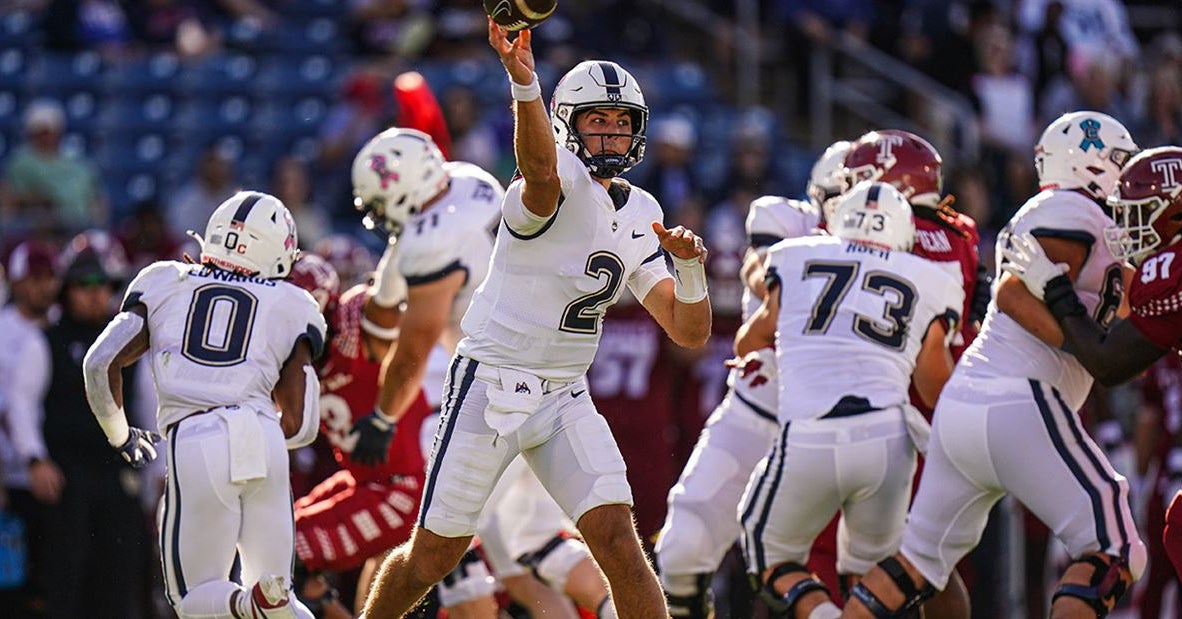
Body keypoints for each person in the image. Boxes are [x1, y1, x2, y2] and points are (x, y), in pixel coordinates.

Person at [361, 21, 712, 619]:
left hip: (563, 395)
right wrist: (523, 82)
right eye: (597, 120)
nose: (612, 133)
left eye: (622, 121)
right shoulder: (548, 184)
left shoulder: (641, 210)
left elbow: (688, 330)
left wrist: (690, 272)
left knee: (618, 542)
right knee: (432, 557)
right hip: (491, 383)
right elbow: (544, 175)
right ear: (565, 124)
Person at [843, 111, 1144, 618]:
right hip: (1019, 397)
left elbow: (1134, 314)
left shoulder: (1093, 223)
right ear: (1087, 164)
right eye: (1120, 163)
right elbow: (1012, 296)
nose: (1128, 177)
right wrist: (1084, 342)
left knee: (917, 564)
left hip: (970, 404)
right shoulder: (1070, 209)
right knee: (1115, 549)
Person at [354, 126, 616, 616]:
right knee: (536, 540)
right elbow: (394, 283)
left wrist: (384, 417)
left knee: (444, 544)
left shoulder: (428, 243)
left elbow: (412, 346)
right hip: (558, 377)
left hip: (495, 391)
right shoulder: (470, 182)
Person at [82, 190, 327, 619]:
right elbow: (303, 423)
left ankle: (248, 603)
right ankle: (260, 602)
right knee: (280, 599)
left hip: (196, 434)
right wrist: (256, 436)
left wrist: (120, 435)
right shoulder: (293, 302)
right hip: (263, 434)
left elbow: (100, 363)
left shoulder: (164, 280)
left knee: (193, 600)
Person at [735, 181, 963, 619]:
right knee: (869, 574)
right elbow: (937, 387)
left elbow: (751, 341)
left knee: (766, 552)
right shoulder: (934, 281)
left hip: (809, 434)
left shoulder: (794, 255)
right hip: (887, 437)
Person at [654, 139, 849, 617]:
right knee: (682, 547)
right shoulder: (783, 218)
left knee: (820, 571)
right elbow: (760, 272)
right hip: (754, 409)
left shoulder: (898, 251)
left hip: (829, 429)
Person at [998, 145, 1182, 585]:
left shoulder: (1173, 268)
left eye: (1140, 214)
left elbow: (1109, 361)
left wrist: (1057, 291)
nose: (1128, 230)